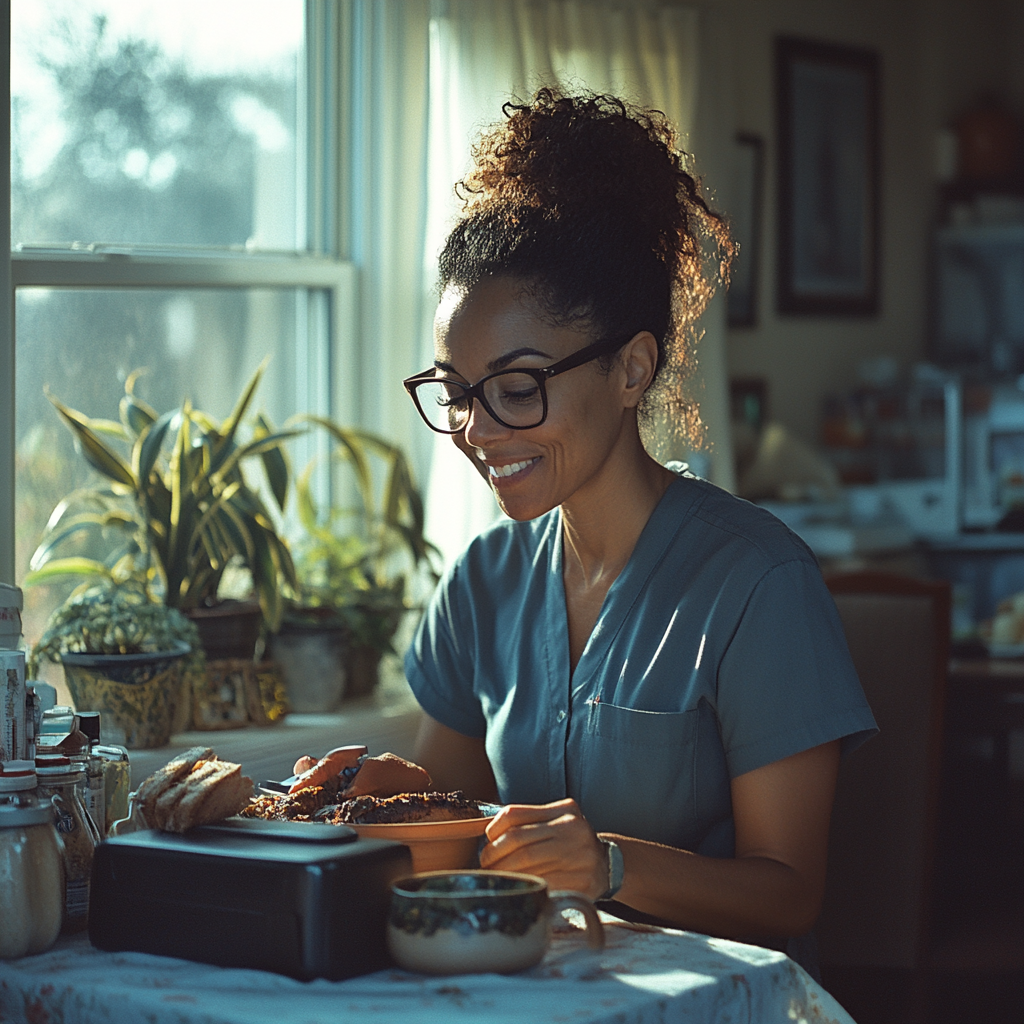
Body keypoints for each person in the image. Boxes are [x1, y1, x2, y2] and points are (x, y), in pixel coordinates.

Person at [396, 89, 877, 977]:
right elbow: (451, 814)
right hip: (539, 992)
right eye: (458, 392)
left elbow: (792, 892)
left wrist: (608, 863)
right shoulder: (482, 580)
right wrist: (366, 794)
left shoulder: (758, 585)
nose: (476, 429)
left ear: (632, 367)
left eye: (517, 386)